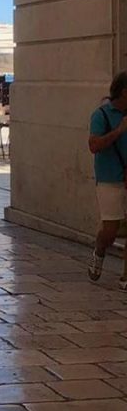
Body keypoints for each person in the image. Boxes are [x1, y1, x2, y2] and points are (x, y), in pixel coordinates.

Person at [87, 71, 127, 282]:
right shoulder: (101, 115)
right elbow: (94, 146)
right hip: (109, 179)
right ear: (124, 91)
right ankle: (100, 249)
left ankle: (125, 277)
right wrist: (119, 131)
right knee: (110, 232)